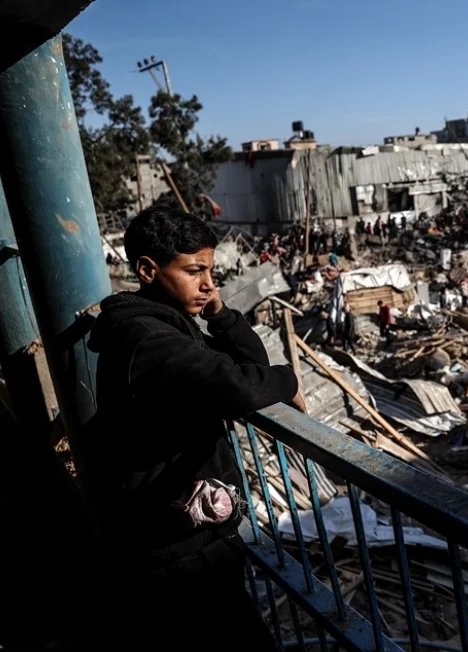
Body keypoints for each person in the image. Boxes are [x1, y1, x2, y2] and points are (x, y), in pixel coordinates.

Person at [85, 206, 304, 650]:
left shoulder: (168, 325)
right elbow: (240, 387)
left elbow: (250, 364)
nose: (208, 283)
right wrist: (289, 380)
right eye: (194, 271)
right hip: (175, 546)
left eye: (211, 271)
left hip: (184, 531)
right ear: (148, 269)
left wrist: (220, 313)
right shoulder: (149, 338)